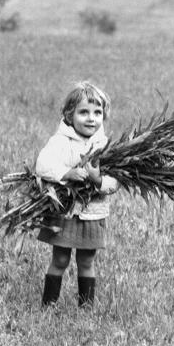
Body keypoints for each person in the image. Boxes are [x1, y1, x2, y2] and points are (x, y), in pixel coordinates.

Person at [35, 81, 119, 307]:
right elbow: (42, 166)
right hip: (66, 213)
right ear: (69, 115)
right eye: (84, 112)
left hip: (93, 214)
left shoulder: (104, 146)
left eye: (97, 113)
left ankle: (86, 307)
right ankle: (49, 305)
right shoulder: (60, 141)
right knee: (60, 259)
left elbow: (115, 182)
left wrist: (97, 179)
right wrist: (67, 173)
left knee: (87, 260)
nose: (91, 118)